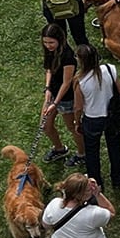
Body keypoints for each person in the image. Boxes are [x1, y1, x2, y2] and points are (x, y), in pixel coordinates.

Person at [71, 44, 120, 188]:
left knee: (91, 151)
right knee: (114, 147)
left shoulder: (81, 81)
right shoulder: (110, 69)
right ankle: (118, 180)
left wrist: (77, 122)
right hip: (111, 116)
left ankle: (95, 182)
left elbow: (78, 107)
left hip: (92, 119)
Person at [36, 24, 83, 164]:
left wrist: (55, 103)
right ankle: (59, 149)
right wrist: (48, 88)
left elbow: (66, 82)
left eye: (51, 42)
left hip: (67, 98)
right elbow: (49, 70)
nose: (48, 45)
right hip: (53, 94)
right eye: (45, 42)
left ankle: (82, 154)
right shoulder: (50, 51)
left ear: (60, 40)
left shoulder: (68, 57)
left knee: (73, 128)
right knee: (45, 125)